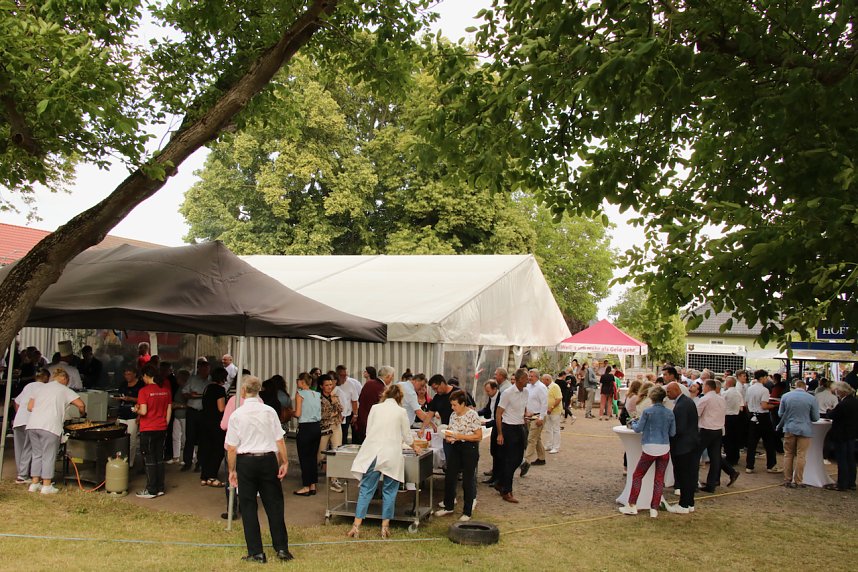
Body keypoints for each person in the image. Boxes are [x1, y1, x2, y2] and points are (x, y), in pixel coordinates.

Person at [226, 375, 293, 563]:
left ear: (243, 391)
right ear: (259, 390)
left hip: (246, 461)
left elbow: (231, 447)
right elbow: (279, 439)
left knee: (248, 506)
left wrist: (232, 470)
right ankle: (282, 548)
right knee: (274, 504)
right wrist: (284, 461)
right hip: (268, 459)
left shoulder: (237, 414)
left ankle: (256, 551)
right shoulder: (269, 411)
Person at [348, 383, 420, 539]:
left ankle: (356, 526)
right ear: (400, 397)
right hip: (391, 454)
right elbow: (407, 436)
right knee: (390, 491)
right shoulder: (401, 412)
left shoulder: (375, 408)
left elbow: (369, 431)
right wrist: (415, 446)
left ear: (385, 395)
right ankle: (384, 527)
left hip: (373, 452)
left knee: (366, 489)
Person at [26, 368, 86, 494]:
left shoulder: (41, 388)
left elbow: (30, 407)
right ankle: (46, 485)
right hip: (50, 426)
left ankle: (34, 483)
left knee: (37, 454)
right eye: (67, 380)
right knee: (49, 455)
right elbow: (81, 404)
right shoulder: (64, 389)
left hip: (33, 424)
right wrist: (82, 414)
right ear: (64, 379)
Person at [619, 386, 675, 518]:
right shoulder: (669, 413)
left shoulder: (648, 411)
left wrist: (633, 424)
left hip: (649, 447)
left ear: (651, 397)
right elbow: (673, 432)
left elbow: (638, 429)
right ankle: (654, 508)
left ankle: (632, 505)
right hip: (664, 447)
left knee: (638, 475)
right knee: (659, 479)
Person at [435, 390, 483, 521]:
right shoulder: (453, 415)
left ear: (463, 404)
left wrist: (460, 436)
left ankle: (467, 511)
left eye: (455, 405)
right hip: (455, 447)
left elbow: (478, 436)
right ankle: (448, 505)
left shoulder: (472, 415)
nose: (453, 407)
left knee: (467, 479)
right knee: (450, 476)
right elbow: (451, 431)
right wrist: (448, 436)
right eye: (452, 405)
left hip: (469, 448)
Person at [134, 364, 172, 498]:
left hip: (148, 428)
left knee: (149, 459)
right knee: (159, 458)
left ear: (146, 375)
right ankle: (160, 487)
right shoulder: (166, 390)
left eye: (143, 377)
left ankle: (151, 490)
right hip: (161, 427)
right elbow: (169, 410)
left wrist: (136, 410)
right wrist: (165, 424)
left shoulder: (143, 391)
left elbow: (143, 411)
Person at [665, 371, 699, 514]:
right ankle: (689, 503)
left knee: (684, 476)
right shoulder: (686, 402)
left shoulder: (681, 405)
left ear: (675, 390)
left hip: (683, 446)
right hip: (690, 444)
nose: (667, 394)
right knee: (689, 475)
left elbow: (680, 428)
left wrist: (668, 433)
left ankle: (684, 504)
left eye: (668, 391)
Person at [696, 378, 739, 491]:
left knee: (696, 454)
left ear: (707, 387)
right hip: (718, 429)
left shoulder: (705, 398)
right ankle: (712, 484)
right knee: (715, 457)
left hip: (707, 429)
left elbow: (697, 413)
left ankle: (694, 481)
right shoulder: (721, 399)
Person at [495, 368, 529, 503]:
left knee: (518, 459)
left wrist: (525, 416)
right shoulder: (508, 393)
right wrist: (500, 433)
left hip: (520, 427)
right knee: (510, 460)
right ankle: (507, 490)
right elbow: (498, 413)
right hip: (508, 428)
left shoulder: (526, 392)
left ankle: (500, 482)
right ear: (520, 380)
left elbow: (523, 407)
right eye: (526, 378)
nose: (528, 380)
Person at [777, 379, 819, 488]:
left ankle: (787, 479)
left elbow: (780, 414)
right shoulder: (811, 398)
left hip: (789, 428)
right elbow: (815, 417)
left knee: (788, 454)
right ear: (805, 387)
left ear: (795, 386)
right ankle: (798, 480)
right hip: (805, 429)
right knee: (801, 455)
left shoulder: (786, 396)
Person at [12, 368, 50, 484]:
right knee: (29, 448)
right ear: (46, 378)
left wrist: (20, 414)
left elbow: (16, 402)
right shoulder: (45, 388)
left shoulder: (28, 386)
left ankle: (21, 472)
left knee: (20, 448)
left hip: (19, 420)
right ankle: (23, 475)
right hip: (30, 421)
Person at [745, 369, 780, 474]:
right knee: (769, 441)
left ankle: (749, 466)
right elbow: (764, 406)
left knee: (752, 442)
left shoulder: (750, 388)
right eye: (765, 377)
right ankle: (771, 465)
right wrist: (774, 405)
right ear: (762, 378)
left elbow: (746, 403)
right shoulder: (764, 390)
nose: (767, 379)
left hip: (752, 415)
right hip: (762, 416)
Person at [293, 372, 322, 495]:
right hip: (316, 427)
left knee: (304, 457)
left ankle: (306, 486)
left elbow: (298, 413)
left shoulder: (299, 394)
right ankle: (313, 485)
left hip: (305, 427)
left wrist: (290, 412)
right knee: (312, 457)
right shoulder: (316, 394)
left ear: (302, 382)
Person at [826, 382, 858, 491]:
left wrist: (829, 411)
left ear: (842, 391)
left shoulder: (843, 404)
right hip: (851, 434)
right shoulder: (855, 401)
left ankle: (842, 483)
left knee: (842, 459)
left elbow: (833, 415)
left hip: (841, 434)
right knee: (850, 459)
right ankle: (851, 482)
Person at [199, 366, 227, 487]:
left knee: (207, 449)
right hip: (216, 423)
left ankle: (204, 476)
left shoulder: (207, 388)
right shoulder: (220, 389)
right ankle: (212, 476)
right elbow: (221, 408)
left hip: (205, 421)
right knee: (218, 450)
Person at [181, 358, 211, 471]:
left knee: (203, 438)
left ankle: (200, 462)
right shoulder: (192, 379)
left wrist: (199, 395)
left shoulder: (211, 380)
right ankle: (187, 462)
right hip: (192, 411)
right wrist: (190, 395)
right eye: (203, 369)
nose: (205, 372)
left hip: (204, 412)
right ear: (199, 369)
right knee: (190, 437)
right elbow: (184, 393)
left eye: (207, 369)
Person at [317, 375, 343, 491]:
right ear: (321, 386)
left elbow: (341, 409)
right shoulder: (317, 398)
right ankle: (313, 473)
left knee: (337, 451)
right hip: (324, 428)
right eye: (326, 385)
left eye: (331, 384)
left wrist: (334, 402)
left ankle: (334, 480)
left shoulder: (335, 396)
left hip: (336, 426)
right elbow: (319, 414)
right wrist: (333, 414)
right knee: (321, 454)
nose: (329, 387)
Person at [520, 369, 548, 476]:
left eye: (531, 376)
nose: (529, 378)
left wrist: (541, 417)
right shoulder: (528, 387)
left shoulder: (541, 387)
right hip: (529, 416)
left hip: (537, 416)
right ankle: (541, 458)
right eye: (529, 376)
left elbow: (544, 403)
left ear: (537, 377)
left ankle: (526, 461)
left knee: (531, 439)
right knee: (536, 438)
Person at [116, 365, 144, 468]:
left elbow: (143, 400)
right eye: (125, 374)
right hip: (122, 413)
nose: (127, 376)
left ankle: (130, 462)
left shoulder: (140, 385)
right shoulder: (123, 384)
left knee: (132, 439)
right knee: (120, 439)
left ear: (135, 374)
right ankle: (120, 460)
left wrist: (130, 399)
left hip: (133, 414)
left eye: (129, 374)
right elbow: (120, 395)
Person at [478, 380, 502, 485]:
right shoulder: (492, 397)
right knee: (494, 451)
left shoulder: (501, 398)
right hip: (494, 426)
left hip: (500, 427)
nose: (487, 393)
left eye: (488, 391)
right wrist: (475, 413)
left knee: (499, 453)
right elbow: (487, 410)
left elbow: (501, 417)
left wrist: (486, 423)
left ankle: (498, 478)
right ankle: (494, 476)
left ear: (495, 389)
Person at [352, 366, 383, 444]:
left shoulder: (371, 384)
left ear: (369, 373)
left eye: (365, 371)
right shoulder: (368, 383)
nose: (364, 373)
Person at [722, 376, 744, 466]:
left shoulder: (725, 393)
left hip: (728, 417)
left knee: (728, 438)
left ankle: (729, 457)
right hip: (737, 417)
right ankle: (735, 457)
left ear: (728, 383)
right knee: (735, 438)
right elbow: (741, 406)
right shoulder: (738, 393)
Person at [335, 365, 360, 443]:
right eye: (342, 375)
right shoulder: (332, 384)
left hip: (347, 414)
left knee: (344, 435)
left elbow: (354, 400)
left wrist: (355, 415)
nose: (345, 377)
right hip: (335, 415)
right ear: (337, 375)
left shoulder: (351, 384)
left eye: (346, 375)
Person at [169, 369, 190, 465]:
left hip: (184, 416)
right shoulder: (179, 388)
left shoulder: (187, 389)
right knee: (175, 436)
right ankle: (176, 456)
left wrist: (179, 405)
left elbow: (190, 404)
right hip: (177, 415)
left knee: (186, 438)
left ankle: (189, 457)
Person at [543, 373, 563, 453]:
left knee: (555, 429)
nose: (542, 382)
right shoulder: (545, 387)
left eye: (543, 380)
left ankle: (556, 447)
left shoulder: (555, 386)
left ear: (547, 380)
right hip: (547, 411)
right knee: (548, 428)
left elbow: (559, 399)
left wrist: (551, 408)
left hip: (555, 411)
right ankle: (549, 445)